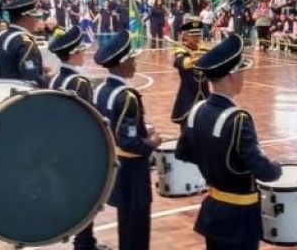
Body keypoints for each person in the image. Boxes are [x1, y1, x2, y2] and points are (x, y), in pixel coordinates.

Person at [175, 34, 282, 249]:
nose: (244, 76)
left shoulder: (196, 111)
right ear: (232, 76)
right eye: (241, 71)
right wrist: (276, 169)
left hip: (213, 210)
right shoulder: (238, 119)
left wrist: (213, 165)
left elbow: (183, 152)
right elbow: (262, 170)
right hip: (239, 217)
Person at [93, 30, 161, 250]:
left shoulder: (101, 89)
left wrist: (141, 130)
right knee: (137, 228)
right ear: (122, 64)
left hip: (116, 166)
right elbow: (129, 142)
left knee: (126, 224)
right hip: (133, 170)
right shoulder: (127, 95)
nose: (135, 64)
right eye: (132, 60)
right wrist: (152, 142)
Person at [46, 26, 100, 249]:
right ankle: (84, 241)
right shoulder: (80, 83)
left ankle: (84, 238)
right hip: (77, 147)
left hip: (58, 144)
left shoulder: (54, 79)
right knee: (86, 195)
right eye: (82, 50)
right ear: (74, 53)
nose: (85, 53)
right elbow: (88, 119)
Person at [0, 0, 50, 86]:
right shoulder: (25, 42)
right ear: (26, 18)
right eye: (35, 17)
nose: (36, 21)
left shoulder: (3, 36)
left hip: (5, 89)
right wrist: (49, 78)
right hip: (22, 94)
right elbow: (32, 79)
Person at [171, 20, 210, 126]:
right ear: (185, 36)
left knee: (204, 125)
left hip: (205, 94)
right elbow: (181, 63)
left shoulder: (204, 49)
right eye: (193, 36)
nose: (196, 38)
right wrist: (194, 58)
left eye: (198, 35)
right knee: (187, 125)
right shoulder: (181, 51)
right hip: (188, 95)